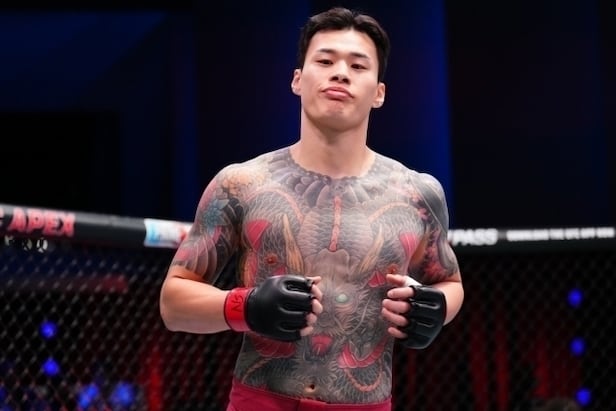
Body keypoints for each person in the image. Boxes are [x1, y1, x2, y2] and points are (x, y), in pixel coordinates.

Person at [159, 6, 464, 410]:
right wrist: (245, 305)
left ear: (379, 93)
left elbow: (450, 282)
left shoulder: (418, 193)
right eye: (325, 61)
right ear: (297, 80)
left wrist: (434, 309)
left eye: (358, 65)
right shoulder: (241, 184)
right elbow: (173, 303)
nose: (340, 73)